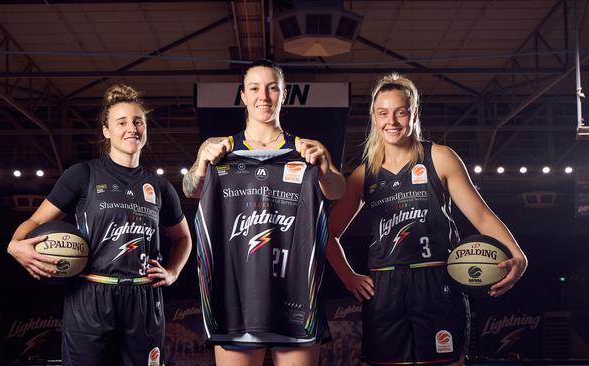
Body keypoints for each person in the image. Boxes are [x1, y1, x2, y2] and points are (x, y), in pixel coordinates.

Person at [326, 73, 528, 366]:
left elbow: (480, 215)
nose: (391, 121)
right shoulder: (363, 174)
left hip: (437, 280)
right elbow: (328, 234)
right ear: (373, 116)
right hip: (385, 285)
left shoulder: (440, 158)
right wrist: (348, 276)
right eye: (383, 113)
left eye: (400, 112)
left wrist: (518, 255)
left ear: (414, 113)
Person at [7, 84, 192, 366]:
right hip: (90, 297)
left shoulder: (160, 187)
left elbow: (183, 238)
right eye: (122, 122)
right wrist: (15, 245)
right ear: (106, 130)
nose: (132, 128)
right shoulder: (82, 175)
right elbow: (34, 221)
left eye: (138, 121)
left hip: (143, 297)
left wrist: (172, 273)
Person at [183, 59, 345, 366]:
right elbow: (191, 188)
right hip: (235, 299)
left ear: (284, 94)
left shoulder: (306, 149)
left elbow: (336, 191)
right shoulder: (219, 148)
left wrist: (324, 166)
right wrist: (202, 163)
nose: (264, 97)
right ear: (243, 96)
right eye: (255, 89)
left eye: (273, 89)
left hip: (295, 295)